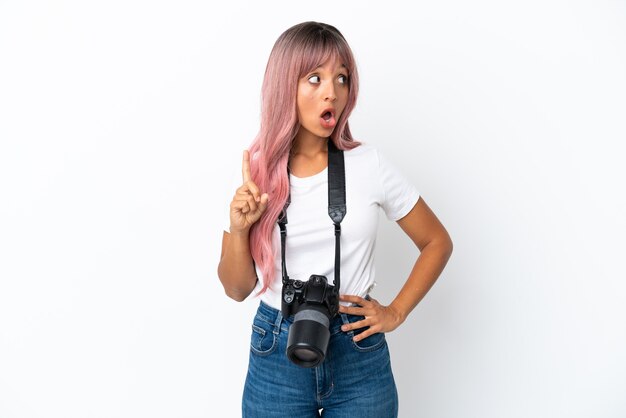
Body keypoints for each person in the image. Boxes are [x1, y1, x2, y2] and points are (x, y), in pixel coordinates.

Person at [218, 21, 453, 418]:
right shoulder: (256, 173)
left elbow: (437, 242)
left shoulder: (369, 165)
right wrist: (241, 228)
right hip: (276, 345)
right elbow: (237, 289)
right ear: (284, 86)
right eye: (314, 78)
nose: (332, 91)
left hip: (356, 349)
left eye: (341, 78)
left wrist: (395, 311)